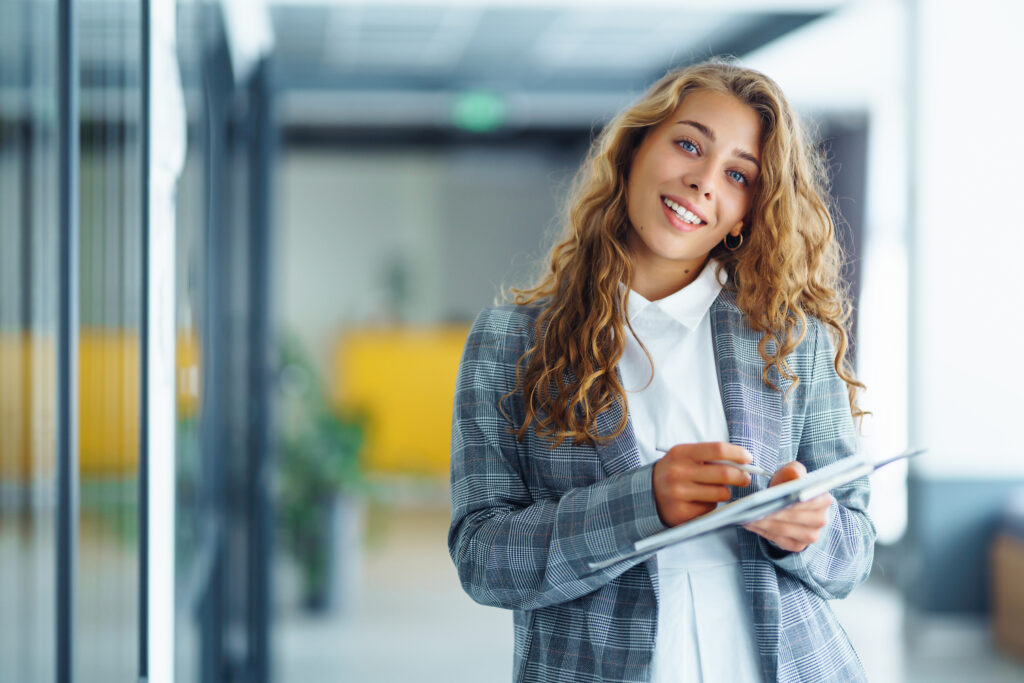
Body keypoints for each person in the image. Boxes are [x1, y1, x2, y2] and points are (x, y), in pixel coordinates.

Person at [447, 58, 874, 683]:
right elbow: (484, 559)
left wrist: (811, 527)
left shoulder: (791, 340)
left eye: (737, 174)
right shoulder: (510, 344)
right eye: (687, 144)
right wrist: (640, 502)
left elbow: (855, 552)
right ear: (632, 150)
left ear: (748, 212)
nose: (704, 181)